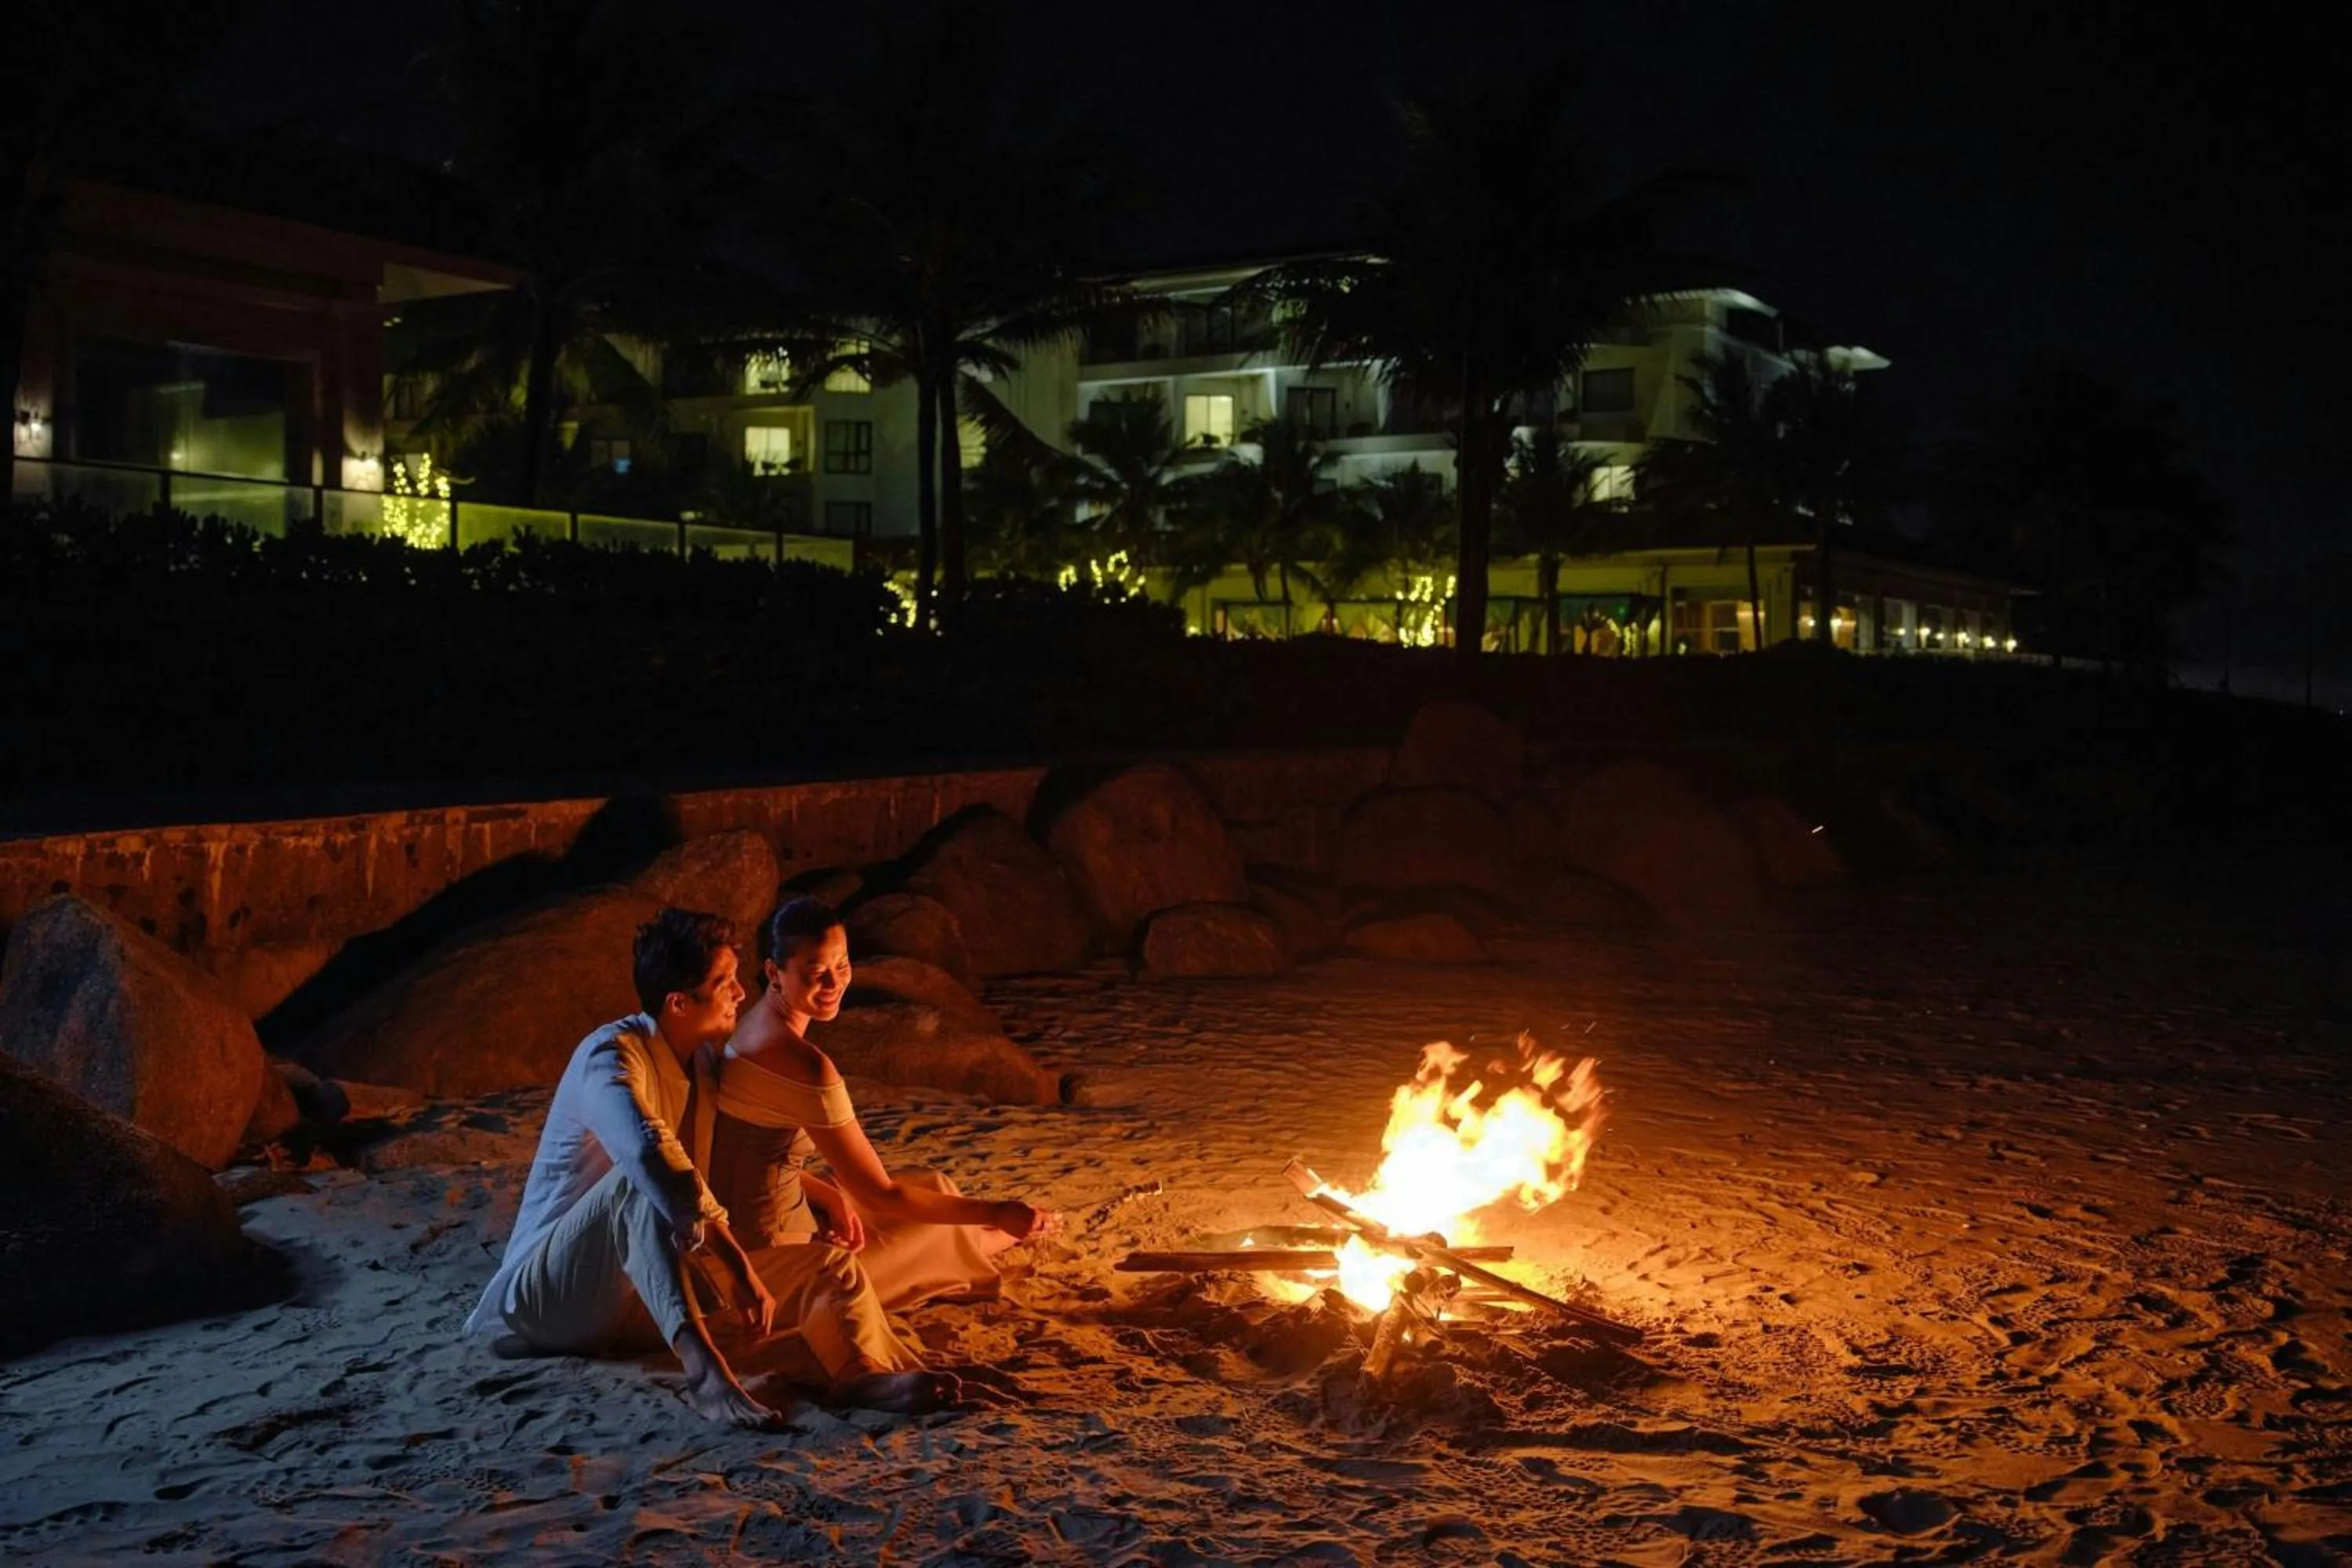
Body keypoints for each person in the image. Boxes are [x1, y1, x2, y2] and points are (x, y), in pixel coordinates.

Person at [700, 897, 1059, 1411]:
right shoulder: (804, 1065)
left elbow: (749, 1146)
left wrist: (826, 1194)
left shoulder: (746, 1026)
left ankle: (991, 1232)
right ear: (774, 972)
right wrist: (995, 1209)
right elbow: (881, 1193)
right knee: (931, 1228)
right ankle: (1001, 1233)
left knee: (933, 1184)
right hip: (775, 1255)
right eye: (816, 973)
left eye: (842, 967)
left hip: (771, 1216)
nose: (833, 984)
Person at [462, 908, 788, 1431]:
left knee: (814, 1264)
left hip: (628, 1297)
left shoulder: (701, 1064)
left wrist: (820, 1194)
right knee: (638, 1182)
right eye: (724, 982)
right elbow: (649, 1158)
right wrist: (738, 1265)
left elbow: (723, 1164)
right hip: (547, 1297)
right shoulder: (609, 1057)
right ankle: (704, 1376)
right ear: (679, 1003)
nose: (740, 993)